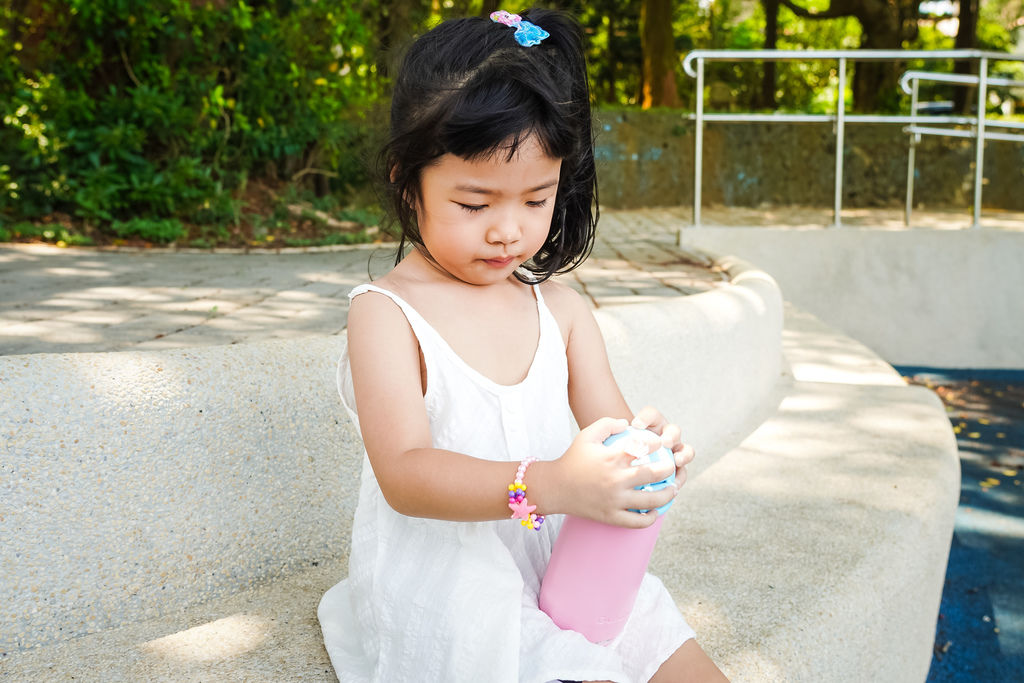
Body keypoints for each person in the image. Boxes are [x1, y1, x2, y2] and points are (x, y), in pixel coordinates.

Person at [318, 8, 727, 682]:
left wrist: (644, 456)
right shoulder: (387, 314)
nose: (508, 231)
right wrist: (551, 483)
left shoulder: (561, 312)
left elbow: (608, 431)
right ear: (405, 177)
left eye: (536, 200)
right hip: (453, 577)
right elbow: (406, 475)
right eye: (475, 205)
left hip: (566, 561)